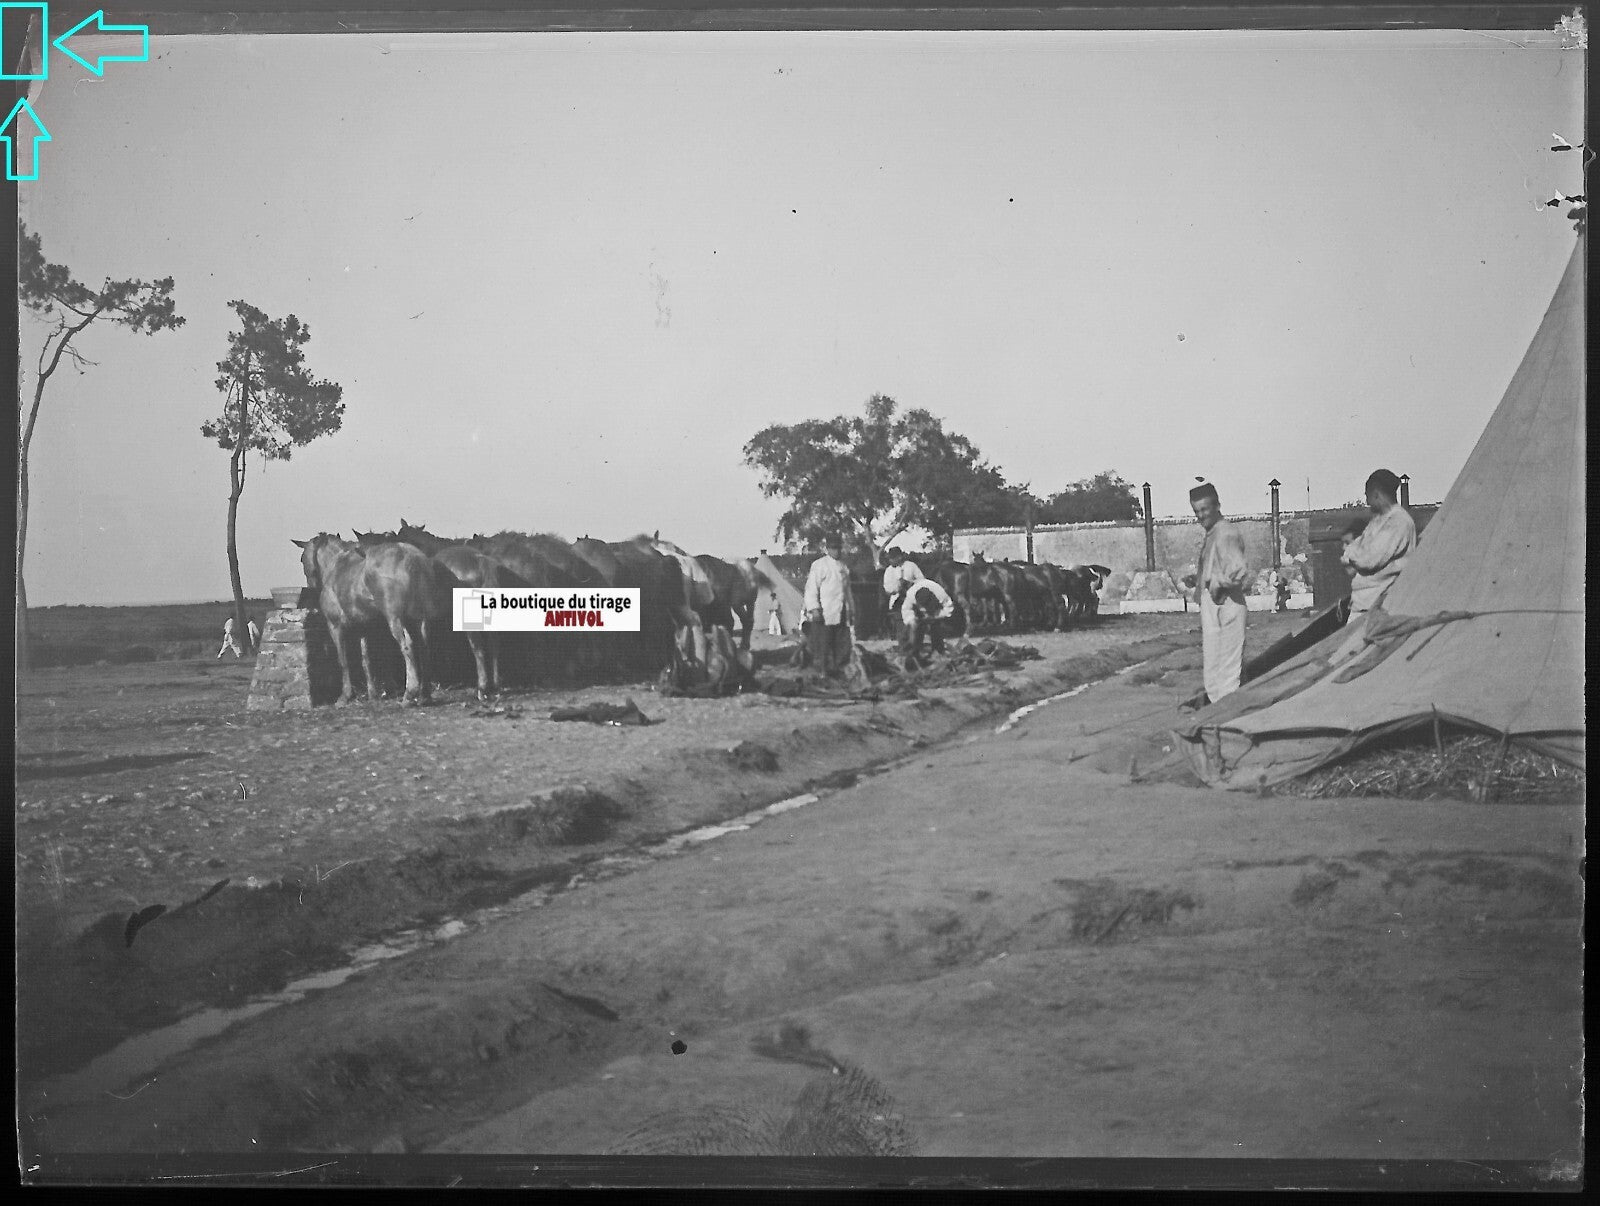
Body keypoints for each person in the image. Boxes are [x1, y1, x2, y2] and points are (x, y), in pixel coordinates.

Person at [1190, 482, 1251, 703]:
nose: (1201, 516)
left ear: (1217, 505)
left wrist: (1217, 584)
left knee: (1227, 671)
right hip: (1213, 602)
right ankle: (1217, 715)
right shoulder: (1212, 533)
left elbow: (1239, 571)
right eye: (1196, 511)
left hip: (1227, 600)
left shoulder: (1226, 532)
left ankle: (1227, 718)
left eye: (1205, 509)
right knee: (1213, 670)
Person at [1341, 469, 1416, 612]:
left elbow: (1368, 560)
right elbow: (1353, 548)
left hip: (1380, 606)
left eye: (1367, 495)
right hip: (1364, 603)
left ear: (1375, 494)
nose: (1367, 501)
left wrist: (1352, 556)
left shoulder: (1398, 521)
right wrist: (1353, 554)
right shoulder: (1378, 521)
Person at [802, 533, 855, 675]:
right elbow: (811, 588)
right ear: (827, 548)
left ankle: (840, 670)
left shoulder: (843, 567)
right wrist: (814, 609)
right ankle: (822, 671)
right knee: (823, 644)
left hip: (841, 610)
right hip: (824, 612)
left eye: (838, 548)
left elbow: (847, 590)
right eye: (833, 548)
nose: (836, 551)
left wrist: (851, 609)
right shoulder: (819, 565)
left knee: (842, 643)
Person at [901, 579, 961, 666]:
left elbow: (949, 609)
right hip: (917, 613)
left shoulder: (940, 593)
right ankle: (913, 652)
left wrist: (935, 616)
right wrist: (912, 621)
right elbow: (906, 610)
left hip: (935, 612)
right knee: (914, 629)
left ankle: (938, 651)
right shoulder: (910, 596)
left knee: (936, 627)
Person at [880, 548, 924, 639]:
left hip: (912, 599)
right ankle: (903, 645)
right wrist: (899, 586)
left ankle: (914, 643)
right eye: (889, 558)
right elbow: (888, 588)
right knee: (901, 625)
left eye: (892, 558)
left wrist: (910, 583)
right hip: (898, 601)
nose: (890, 560)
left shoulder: (911, 566)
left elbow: (922, 581)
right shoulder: (889, 571)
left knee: (914, 623)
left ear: (899, 557)